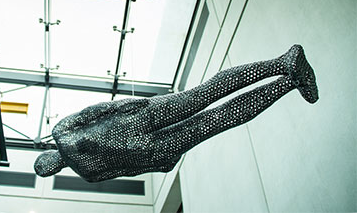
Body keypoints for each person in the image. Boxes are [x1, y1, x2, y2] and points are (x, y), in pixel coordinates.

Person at [34, 45, 318, 182]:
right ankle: (290, 79)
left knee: (206, 97)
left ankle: (284, 65)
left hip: (140, 121)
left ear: (46, 157)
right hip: (150, 144)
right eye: (47, 171)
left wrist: (131, 105)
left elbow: (97, 110)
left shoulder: (63, 133)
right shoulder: (86, 172)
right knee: (215, 117)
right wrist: (156, 164)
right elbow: (125, 170)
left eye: (44, 166)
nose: (49, 167)